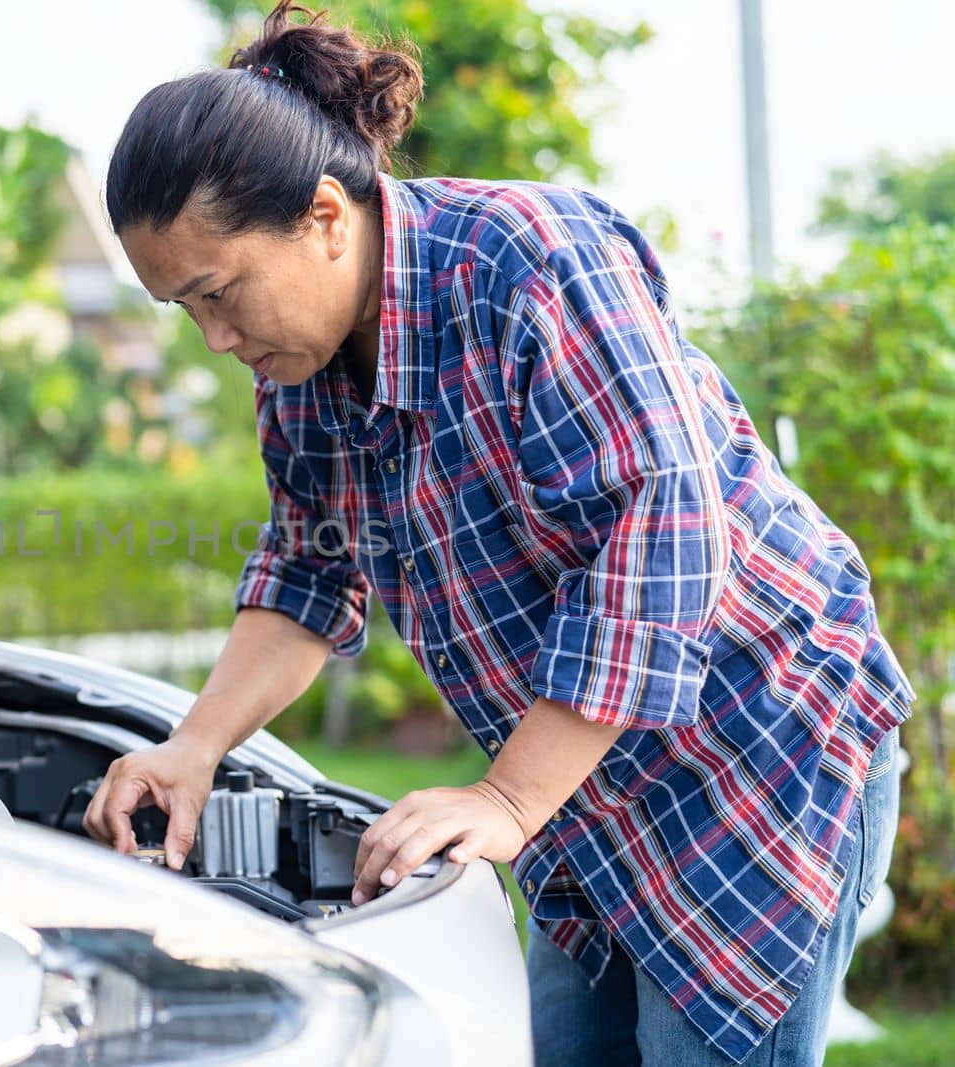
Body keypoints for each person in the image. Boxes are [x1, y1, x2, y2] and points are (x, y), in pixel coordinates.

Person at [79, 3, 914, 1064]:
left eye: (218, 292)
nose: (215, 338)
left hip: (752, 752)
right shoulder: (296, 369)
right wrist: (191, 749)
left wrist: (506, 795)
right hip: (582, 787)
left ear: (326, 215)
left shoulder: (528, 265)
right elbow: (306, 572)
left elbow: (665, 531)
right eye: (181, 310)